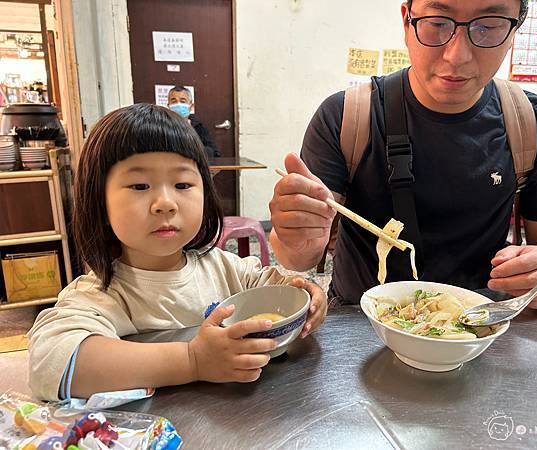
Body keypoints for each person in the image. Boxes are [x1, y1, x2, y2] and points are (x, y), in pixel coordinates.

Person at [270, 0, 537, 310]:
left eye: (488, 27)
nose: (457, 56)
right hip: (361, 326)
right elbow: (298, 257)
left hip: (480, 323)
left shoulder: (535, 122)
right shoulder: (345, 117)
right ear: (407, 21)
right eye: (437, 23)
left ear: (515, 29)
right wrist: (295, 239)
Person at [28, 104, 327, 401]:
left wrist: (307, 296)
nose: (165, 203)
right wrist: (192, 360)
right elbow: (51, 363)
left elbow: (277, 291)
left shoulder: (224, 268)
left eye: (182, 184)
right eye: (140, 185)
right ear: (100, 202)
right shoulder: (102, 294)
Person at [167, 85, 221, 157]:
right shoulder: (160, 126)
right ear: (168, 106)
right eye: (174, 101)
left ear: (191, 106)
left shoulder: (199, 127)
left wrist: (192, 150)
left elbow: (214, 152)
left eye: (183, 101)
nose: (178, 104)